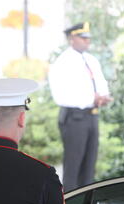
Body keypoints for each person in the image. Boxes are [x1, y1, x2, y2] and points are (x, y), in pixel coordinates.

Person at [48, 22, 113, 192]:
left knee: (89, 166)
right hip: (74, 118)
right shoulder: (63, 62)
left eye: (88, 38)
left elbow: (100, 82)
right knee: (73, 167)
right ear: (72, 39)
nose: (87, 41)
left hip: (92, 115)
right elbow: (61, 95)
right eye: (83, 38)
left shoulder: (91, 59)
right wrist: (92, 98)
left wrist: (103, 96)